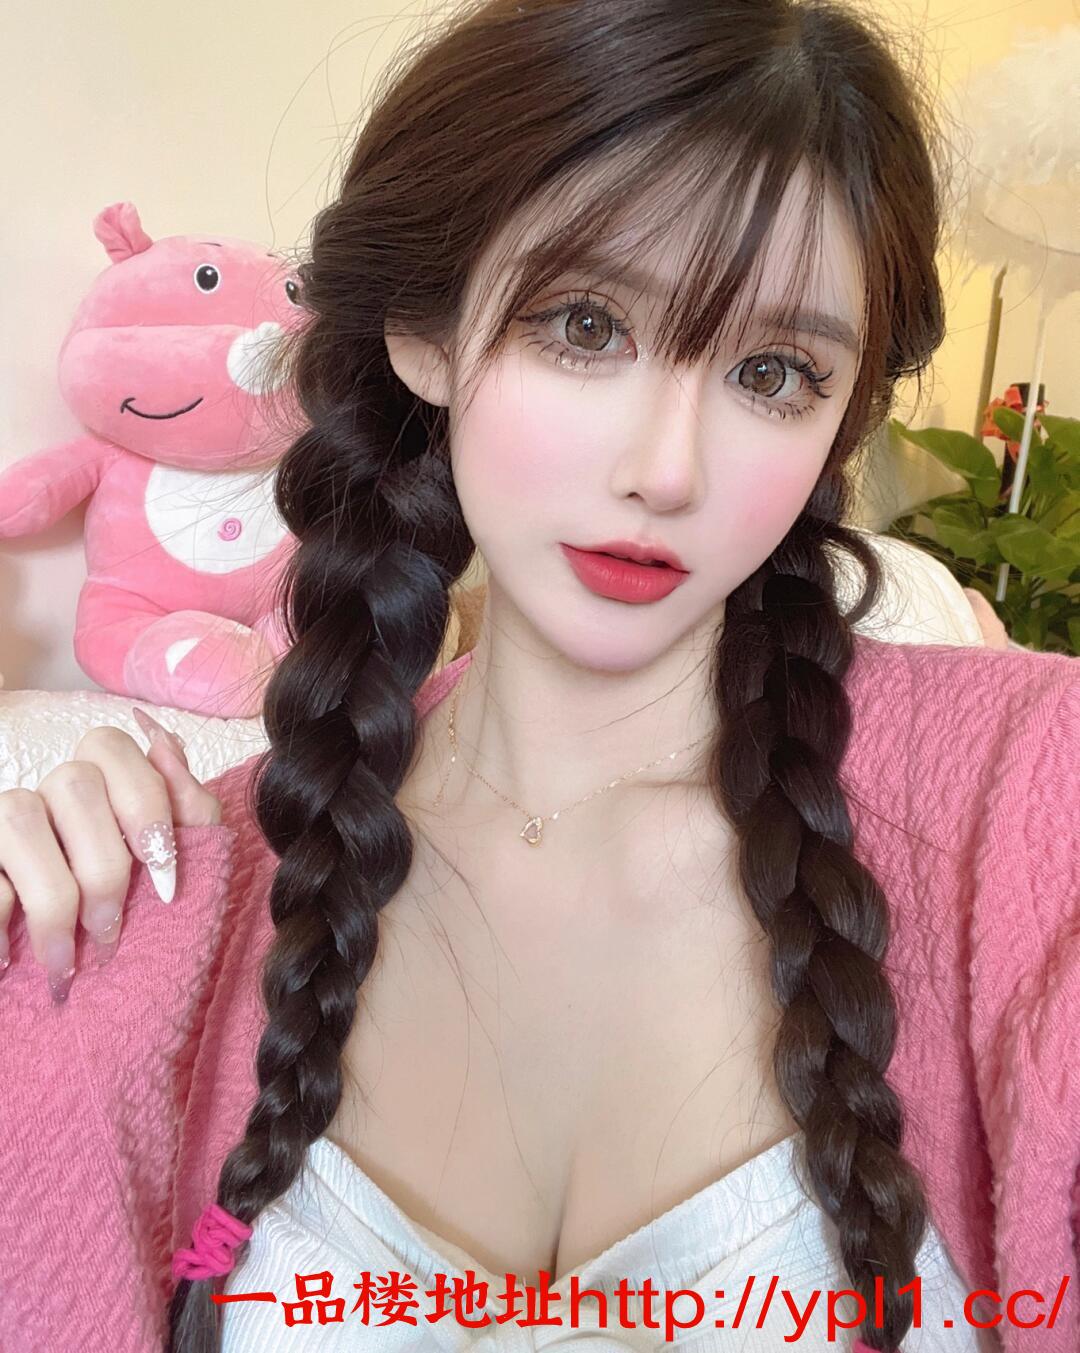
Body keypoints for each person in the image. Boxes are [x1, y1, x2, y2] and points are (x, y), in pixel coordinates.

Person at [0, 0, 1077, 1350]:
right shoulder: (185, 898)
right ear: (425, 330)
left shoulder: (1030, 806)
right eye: (585, 324)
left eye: (773, 371)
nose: (666, 470)